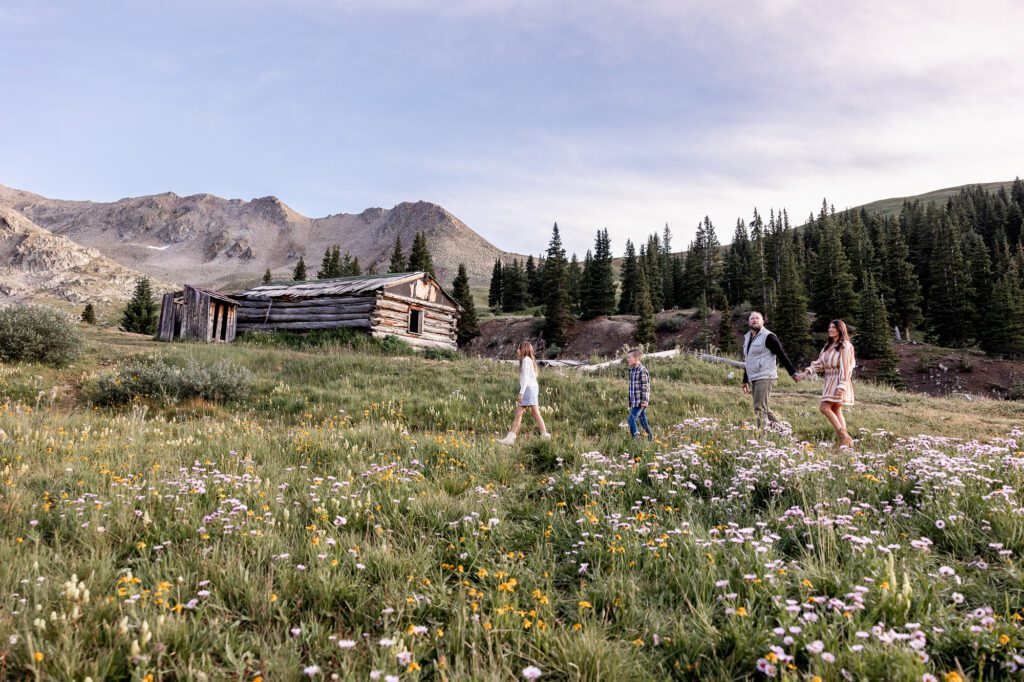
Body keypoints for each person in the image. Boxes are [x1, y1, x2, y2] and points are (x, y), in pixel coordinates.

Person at [796, 319, 856, 447]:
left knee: (824, 408)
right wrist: (805, 373)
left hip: (839, 380)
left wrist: (842, 385)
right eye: (829, 327)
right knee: (836, 409)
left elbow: (847, 367)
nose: (830, 329)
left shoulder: (845, 345)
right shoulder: (828, 347)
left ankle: (844, 437)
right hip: (829, 380)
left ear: (840, 329)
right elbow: (820, 364)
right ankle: (845, 442)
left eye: (833, 327)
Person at [741, 311, 801, 430]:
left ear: (763, 321)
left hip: (766, 376)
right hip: (755, 377)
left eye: (758, 318)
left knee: (759, 407)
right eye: (752, 318)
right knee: (764, 407)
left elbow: (781, 354)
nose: (755, 320)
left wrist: (792, 372)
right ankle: (783, 431)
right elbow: (749, 360)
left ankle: (762, 434)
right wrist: (745, 380)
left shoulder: (769, 336)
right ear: (748, 322)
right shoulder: (748, 337)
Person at [497, 342, 551, 445]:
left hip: (528, 389)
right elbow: (533, 376)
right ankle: (545, 435)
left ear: (524, 349)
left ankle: (511, 438)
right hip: (532, 388)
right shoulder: (529, 360)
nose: (517, 350)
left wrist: (521, 393)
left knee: (520, 413)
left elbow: (526, 378)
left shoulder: (526, 361)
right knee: (533, 413)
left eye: (518, 348)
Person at [627, 348, 653, 440]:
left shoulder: (642, 370)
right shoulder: (632, 370)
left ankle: (636, 440)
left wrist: (644, 401)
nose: (628, 359)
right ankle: (650, 438)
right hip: (634, 401)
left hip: (640, 401)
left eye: (630, 357)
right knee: (643, 421)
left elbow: (645, 387)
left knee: (631, 419)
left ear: (636, 358)